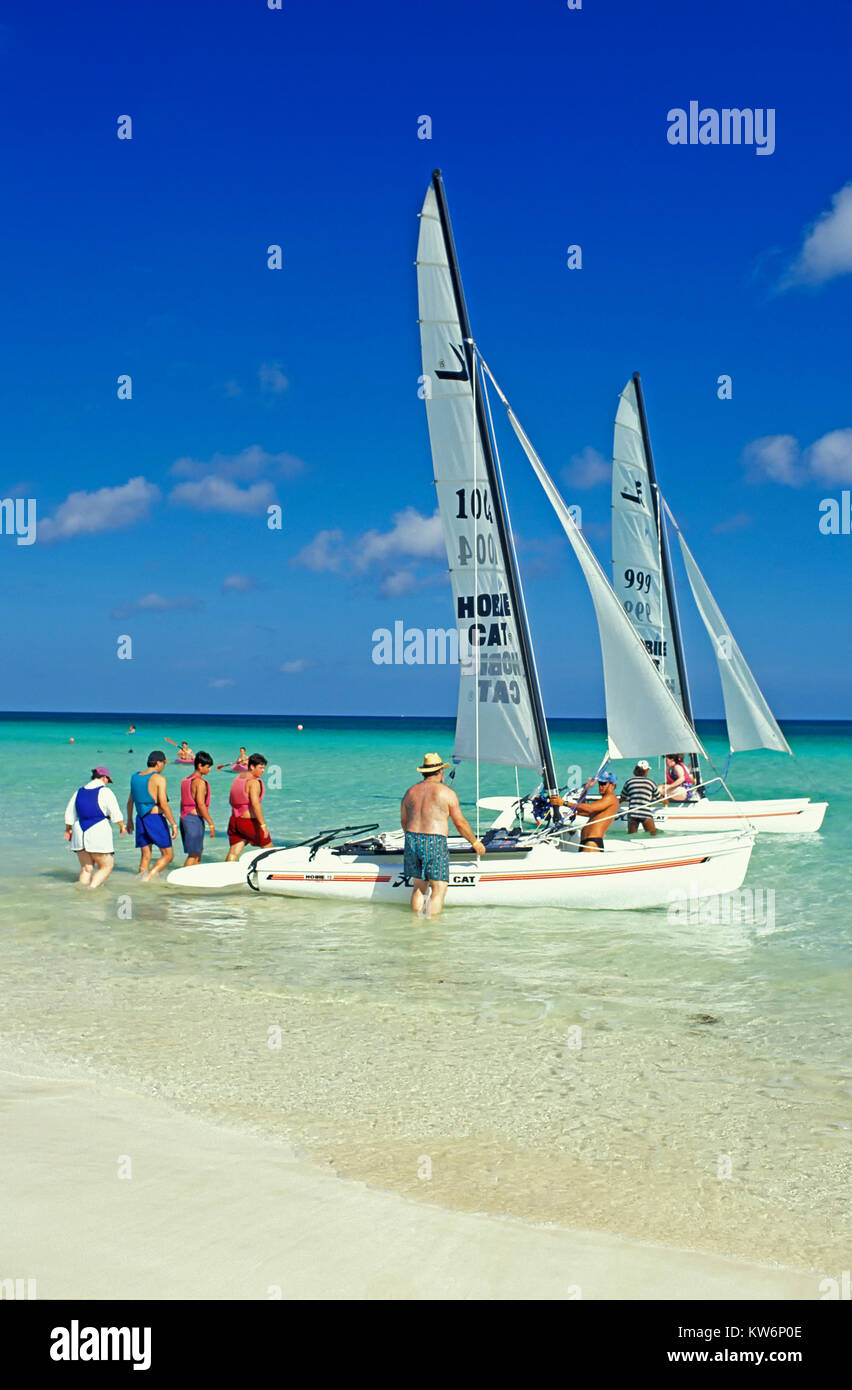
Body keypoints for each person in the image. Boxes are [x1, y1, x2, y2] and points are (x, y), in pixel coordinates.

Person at [400, 752, 486, 917]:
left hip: (411, 838)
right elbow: (459, 822)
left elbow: (404, 821)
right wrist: (474, 842)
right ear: (440, 772)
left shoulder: (410, 792)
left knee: (419, 887)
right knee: (438, 888)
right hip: (434, 840)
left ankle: (415, 925)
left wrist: (413, 841)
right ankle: (432, 929)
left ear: (423, 772)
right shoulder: (446, 792)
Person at [64, 767, 126, 888]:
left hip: (79, 830)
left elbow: (69, 813)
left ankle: (81, 896)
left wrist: (68, 829)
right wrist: (122, 826)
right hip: (97, 829)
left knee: (86, 868)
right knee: (107, 866)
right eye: (108, 780)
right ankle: (91, 890)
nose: (107, 783)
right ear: (104, 777)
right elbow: (115, 812)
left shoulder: (79, 792)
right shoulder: (105, 791)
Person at [126, 750, 177, 879]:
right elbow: (164, 804)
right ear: (158, 763)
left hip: (140, 819)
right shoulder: (159, 779)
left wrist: (130, 820)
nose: (164, 766)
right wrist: (173, 824)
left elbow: (130, 802)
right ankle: (147, 879)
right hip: (155, 820)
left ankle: (140, 882)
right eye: (163, 763)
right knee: (168, 855)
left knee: (145, 855)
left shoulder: (135, 777)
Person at [552, 770, 620, 851]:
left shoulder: (611, 798)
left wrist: (564, 803)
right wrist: (585, 789)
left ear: (612, 785)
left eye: (603, 784)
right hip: (587, 841)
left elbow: (589, 808)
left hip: (592, 842)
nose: (600, 786)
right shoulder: (603, 802)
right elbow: (583, 811)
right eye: (599, 783)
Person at [226, 754, 272, 860]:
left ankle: (226, 873)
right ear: (252, 767)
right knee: (270, 851)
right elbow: (256, 805)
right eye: (260, 768)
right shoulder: (253, 782)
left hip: (234, 821)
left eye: (264, 768)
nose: (263, 771)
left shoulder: (237, 778)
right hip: (249, 823)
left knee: (233, 853)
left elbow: (231, 800)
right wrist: (263, 825)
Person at [179, 751, 215, 866]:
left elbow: (182, 802)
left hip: (185, 817)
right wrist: (210, 823)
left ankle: (192, 879)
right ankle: (182, 879)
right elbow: (200, 804)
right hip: (194, 820)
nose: (209, 770)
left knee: (197, 852)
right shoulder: (199, 782)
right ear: (200, 765)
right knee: (194, 854)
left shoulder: (186, 780)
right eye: (208, 767)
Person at [620, 759, 658, 835]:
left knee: (631, 836)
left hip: (632, 813)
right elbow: (659, 797)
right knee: (653, 835)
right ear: (646, 770)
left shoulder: (629, 782)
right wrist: (666, 801)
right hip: (645, 813)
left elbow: (622, 798)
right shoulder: (651, 782)